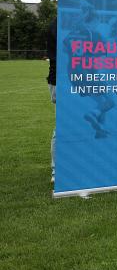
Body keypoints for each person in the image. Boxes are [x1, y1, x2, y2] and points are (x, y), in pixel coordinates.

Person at [47, 22, 57, 182]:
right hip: (60, 81)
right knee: (63, 125)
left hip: (80, 79)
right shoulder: (58, 23)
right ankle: (57, 169)